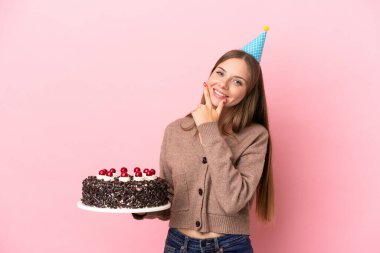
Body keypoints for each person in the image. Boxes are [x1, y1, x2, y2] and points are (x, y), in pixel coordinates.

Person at [132, 49, 274, 253]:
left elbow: (233, 201)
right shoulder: (175, 131)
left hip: (230, 247)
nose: (223, 85)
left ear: (249, 93)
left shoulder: (256, 136)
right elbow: (171, 198)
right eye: (220, 73)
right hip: (177, 245)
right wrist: (141, 206)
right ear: (209, 76)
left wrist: (209, 130)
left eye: (237, 81)